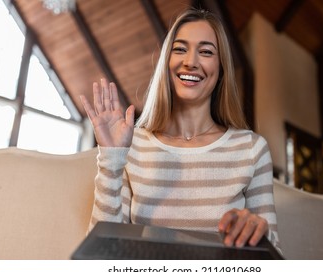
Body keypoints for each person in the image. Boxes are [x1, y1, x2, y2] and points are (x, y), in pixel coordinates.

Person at [80, 8, 280, 251]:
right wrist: (111, 158)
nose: (190, 62)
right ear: (167, 63)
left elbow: (274, 255)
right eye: (180, 49)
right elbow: (102, 251)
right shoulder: (131, 145)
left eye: (206, 52)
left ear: (221, 70)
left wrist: (257, 234)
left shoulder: (251, 148)